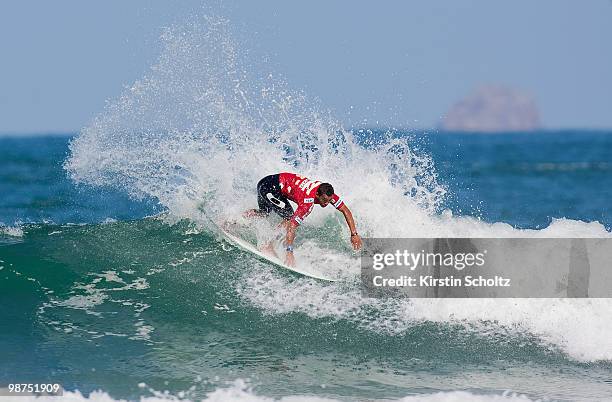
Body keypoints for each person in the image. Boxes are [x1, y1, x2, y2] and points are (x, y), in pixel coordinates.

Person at [245, 172, 362, 267]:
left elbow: (345, 210)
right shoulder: (307, 203)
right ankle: (267, 243)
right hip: (270, 188)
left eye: (329, 201)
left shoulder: (326, 192)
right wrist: (289, 251)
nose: (327, 203)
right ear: (317, 195)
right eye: (324, 200)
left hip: (267, 182)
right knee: (290, 218)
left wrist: (354, 234)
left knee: (264, 213)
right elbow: (292, 226)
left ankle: (237, 219)